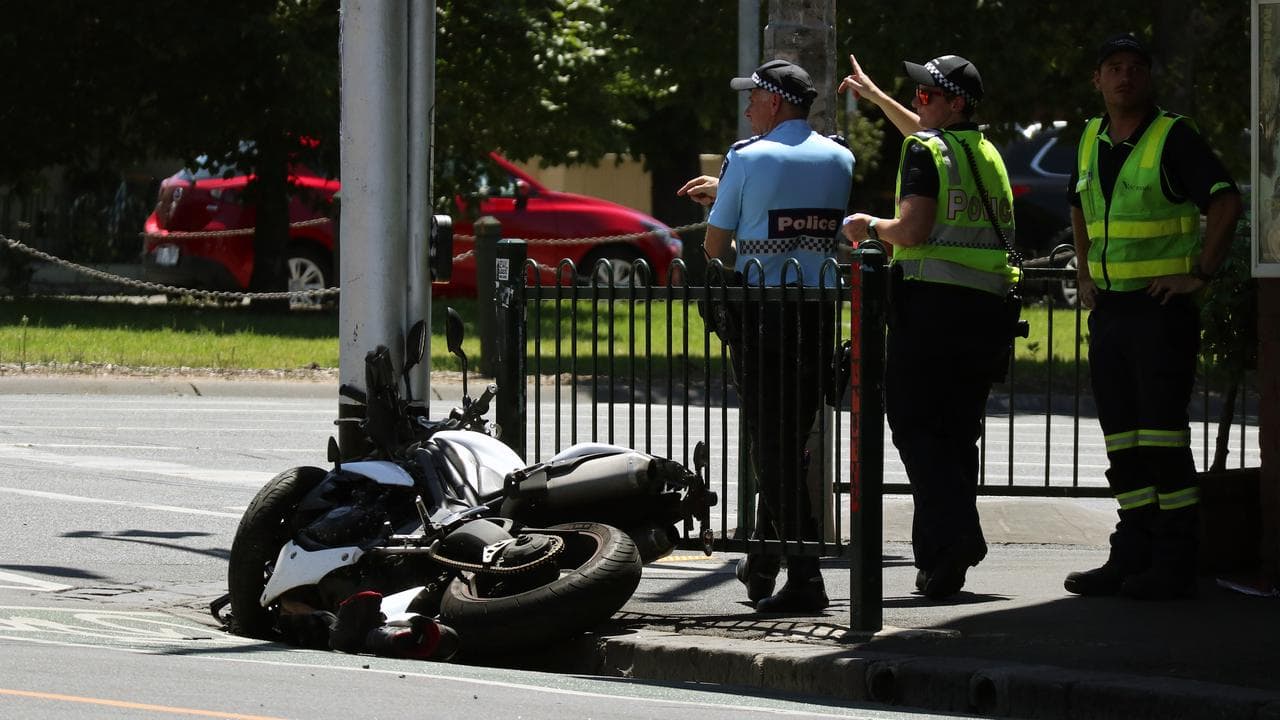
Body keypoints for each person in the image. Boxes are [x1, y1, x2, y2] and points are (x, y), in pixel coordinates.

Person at [1063, 33, 1242, 601]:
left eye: (1136, 68)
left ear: (1149, 78)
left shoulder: (1172, 135)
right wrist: (1086, 272)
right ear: (1097, 80)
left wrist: (1202, 275)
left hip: (1160, 313)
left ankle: (1174, 558)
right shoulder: (1091, 137)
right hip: (1112, 312)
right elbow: (1077, 203)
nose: (1124, 77)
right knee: (1123, 439)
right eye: (1113, 67)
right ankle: (1133, 549)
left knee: (1163, 439)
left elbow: (1225, 200)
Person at [677, 59, 854, 613]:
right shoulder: (841, 157)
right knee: (788, 441)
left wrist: (729, 194)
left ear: (775, 102)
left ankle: (804, 578)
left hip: (762, 315)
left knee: (771, 448)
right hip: (817, 313)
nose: (748, 106)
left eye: (753, 97)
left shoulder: (744, 158)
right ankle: (764, 558)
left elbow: (715, 247)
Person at [839, 53, 1018, 600]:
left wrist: (868, 225)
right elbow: (929, 133)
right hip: (987, 312)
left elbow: (912, 231)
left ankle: (958, 538)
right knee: (957, 435)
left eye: (926, 94)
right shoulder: (984, 151)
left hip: (932, 310)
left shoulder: (925, 151)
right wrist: (875, 98)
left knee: (915, 427)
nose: (919, 103)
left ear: (953, 102)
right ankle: (942, 561)